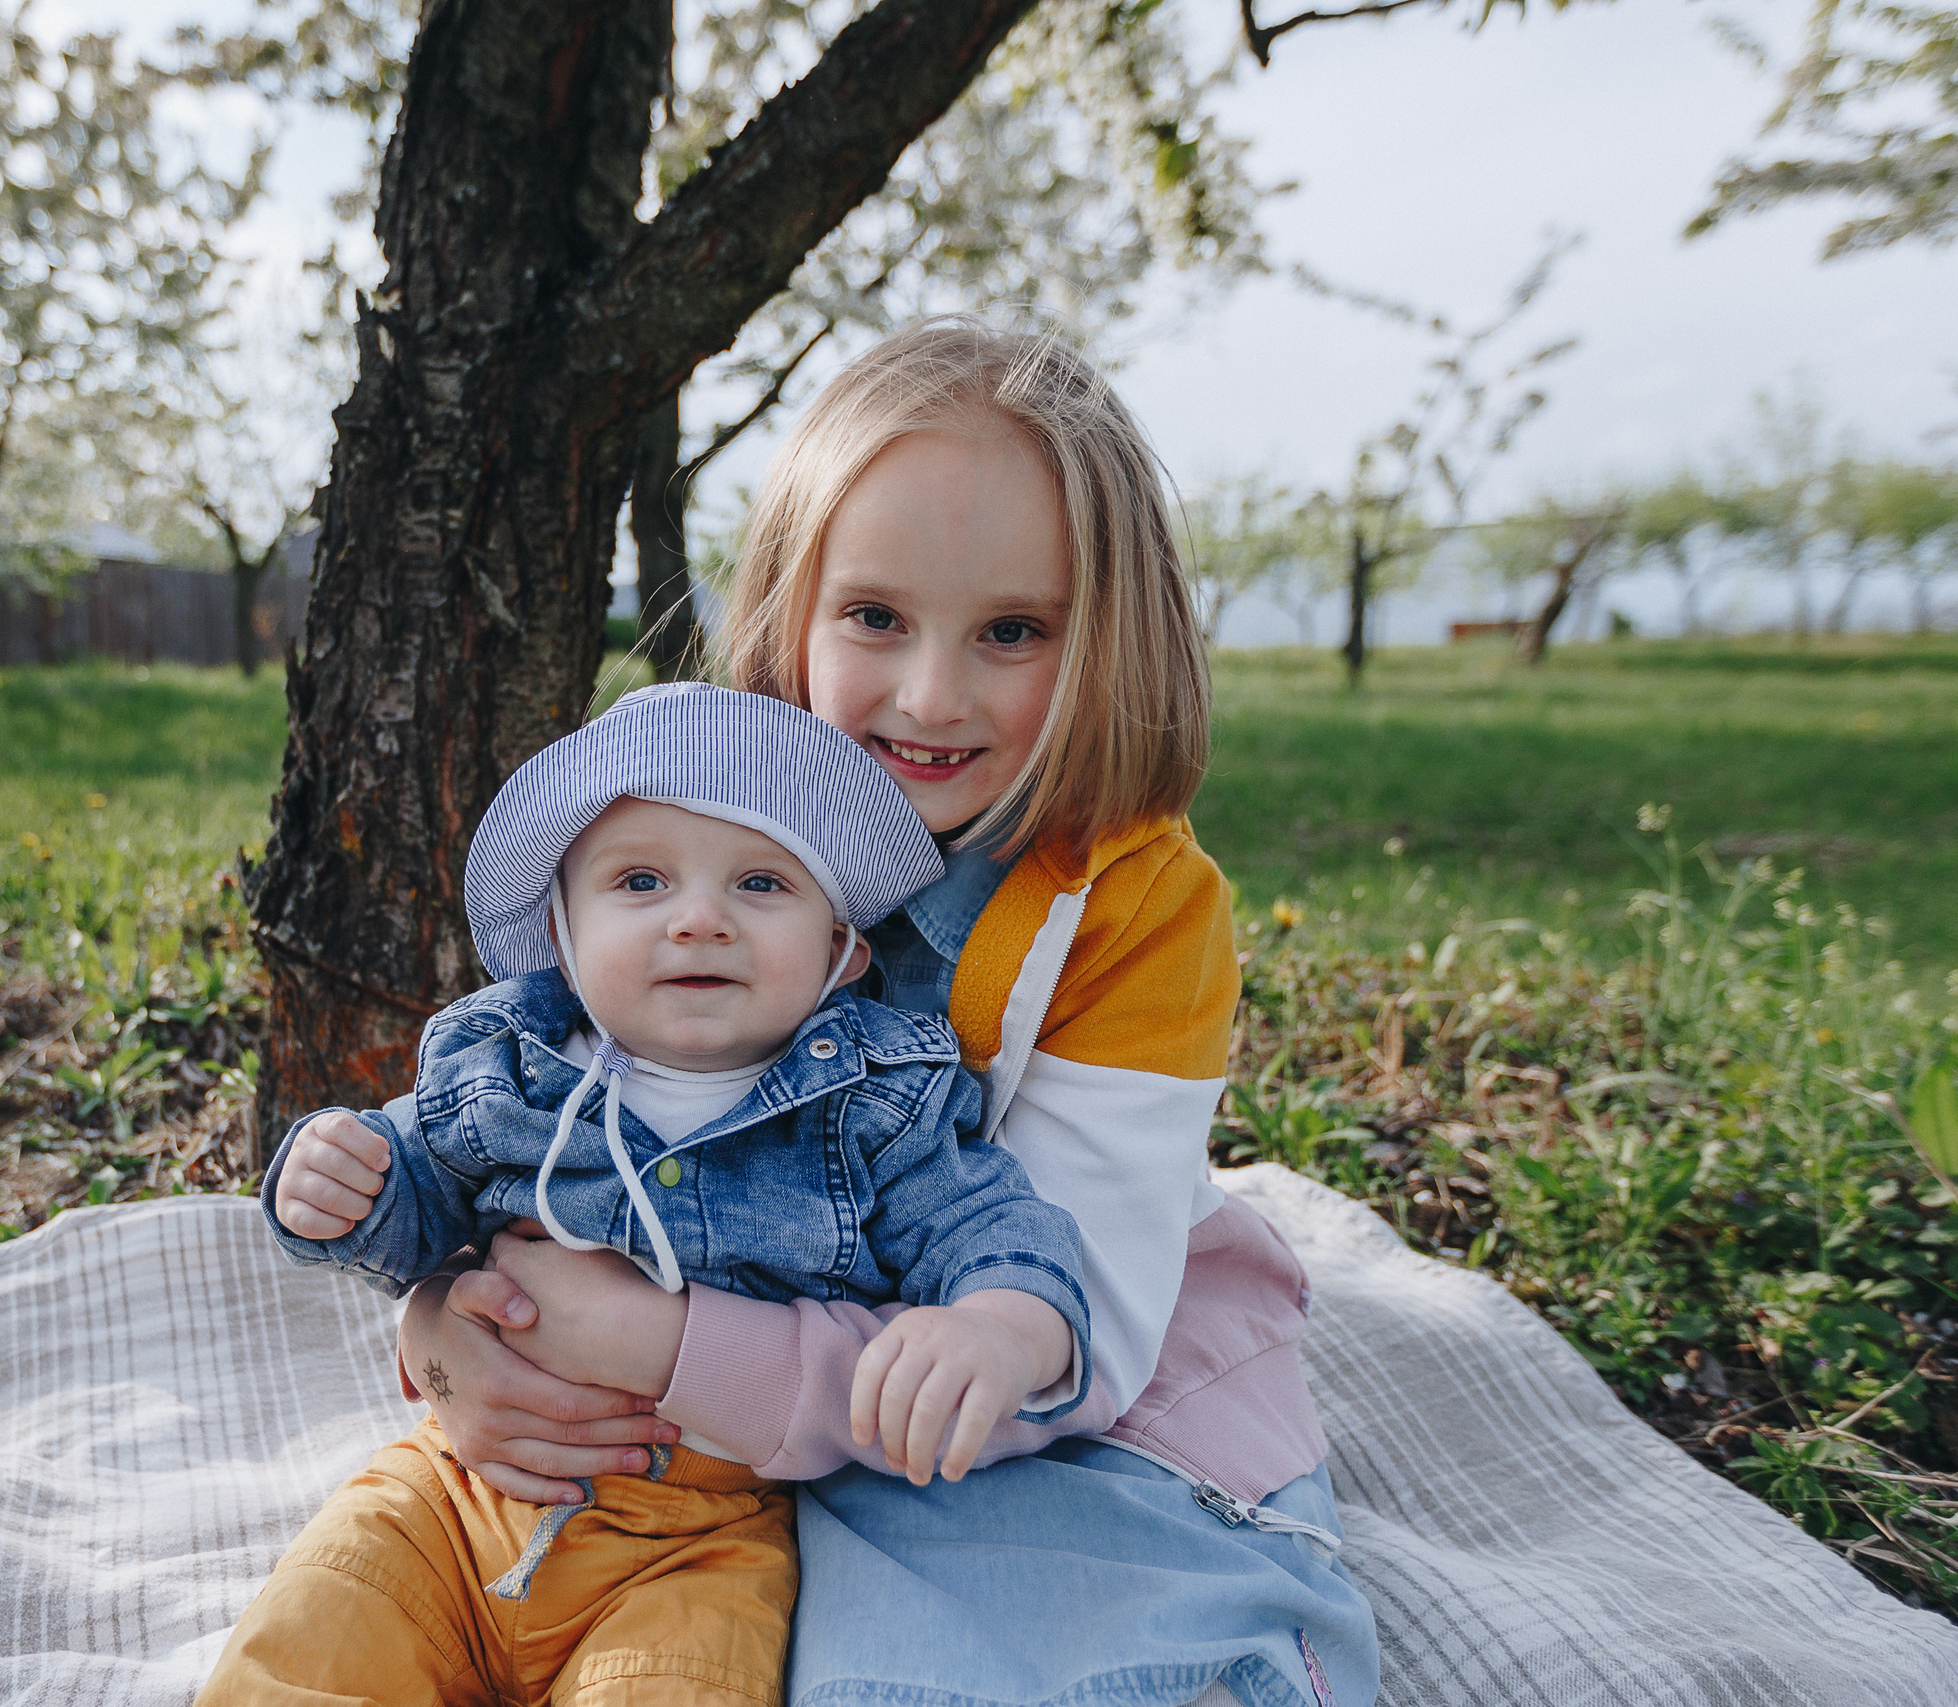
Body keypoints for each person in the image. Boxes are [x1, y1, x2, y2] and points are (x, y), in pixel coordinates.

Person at [402, 320, 1382, 1707]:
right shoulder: (692, 828)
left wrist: (661, 1346)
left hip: (1063, 1411)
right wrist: (447, 1315)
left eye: (1012, 631)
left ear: (1105, 636)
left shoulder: (1136, 905)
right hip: (770, 1431)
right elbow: (522, 1114)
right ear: (791, 609)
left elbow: (1072, 1340)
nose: (931, 695)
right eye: (874, 617)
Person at [197, 683, 1097, 1707]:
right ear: (563, 932)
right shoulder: (502, 1070)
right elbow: (408, 1213)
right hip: (452, 1495)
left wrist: (1000, 1328)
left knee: (679, 1685)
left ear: (842, 951)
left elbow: (993, 1229)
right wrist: (336, 1181)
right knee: (312, 1635)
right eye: (639, 882)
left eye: (761, 885)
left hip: (700, 1541)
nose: (700, 920)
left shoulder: (873, 1109)